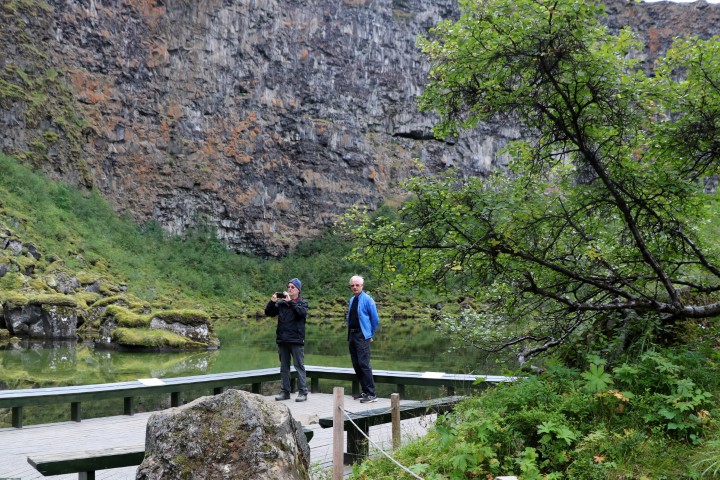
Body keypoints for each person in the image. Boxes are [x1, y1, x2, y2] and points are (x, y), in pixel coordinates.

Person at [265, 277, 309, 402]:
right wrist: (272, 302)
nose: (289, 289)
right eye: (288, 287)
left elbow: (302, 313)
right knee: (284, 368)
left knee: (299, 366)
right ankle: (285, 392)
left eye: (292, 287)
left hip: (296, 340)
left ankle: (303, 392)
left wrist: (291, 302)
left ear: (298, 290)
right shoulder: (281, 304)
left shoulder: (302, 303)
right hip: (282, 340)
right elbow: (268, 312)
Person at [346, 275, 380, 403]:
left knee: (364, 364)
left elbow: (375, 319)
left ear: (362, 286)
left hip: (362, 335)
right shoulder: (352, 299)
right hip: (352, 335)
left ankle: (372, 394)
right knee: (356, 364)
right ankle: (365, 391)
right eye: (352, 285)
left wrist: (369, 335)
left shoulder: (367, 299)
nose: (355, 287)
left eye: (357, 285)